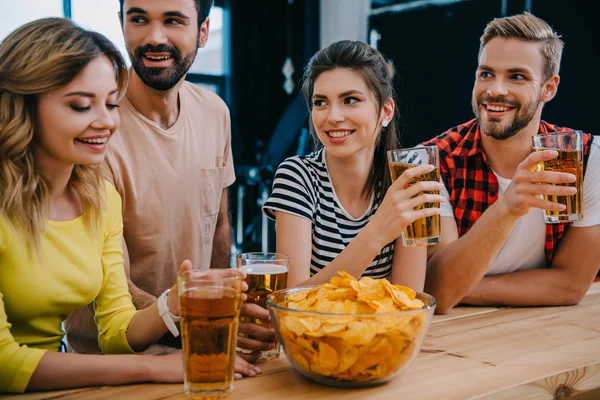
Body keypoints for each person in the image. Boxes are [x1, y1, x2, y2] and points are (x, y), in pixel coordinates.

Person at [0, 17, 250, 393]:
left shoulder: (98, 199)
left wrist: (175, 303)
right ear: (24, 106)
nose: (106, 122)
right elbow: (4, 362)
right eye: (82, 106)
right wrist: (151, 368)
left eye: (112, 104)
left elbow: (115, 328)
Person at [65, 0, 274, 368]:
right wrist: (202, 316)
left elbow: (220, 226)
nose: (154, 37)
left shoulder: (215, 112)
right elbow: (110, 283)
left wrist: (222, 312)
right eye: (139, 19)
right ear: (122, 24)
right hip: (106, 365)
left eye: (173, 20)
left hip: (200, 350)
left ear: (203, 31)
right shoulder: (94, 125)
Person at [423, 12, 600, 314]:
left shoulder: (586, 156)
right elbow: (439, 289)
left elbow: (570, 285)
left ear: (549, 88)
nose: (495, 90)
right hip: (455, 336)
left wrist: (463, 287)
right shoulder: (431, 162)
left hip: (551, 330)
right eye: (486, 73)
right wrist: (507, 209)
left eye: (517, 76)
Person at [262, 40, 454, 289]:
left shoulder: (408, 179)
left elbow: (408, 298)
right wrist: (378, 231)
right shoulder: (297, 177)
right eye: (321, 102)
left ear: (386, 111)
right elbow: (292, 299)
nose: (333, 117)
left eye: (350, 100)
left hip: (384, 327)